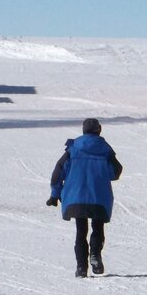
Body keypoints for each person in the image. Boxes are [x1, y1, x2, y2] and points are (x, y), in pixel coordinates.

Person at [47, 118, 123, 277]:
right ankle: (95, 255)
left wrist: (55, 194)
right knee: (98, 227)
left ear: (83, 130)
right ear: (99, 130)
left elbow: (58, 171)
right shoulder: (105, 149)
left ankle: (81, 268)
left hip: (76, 197)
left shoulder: (73, 148)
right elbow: (115, 171)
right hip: (99, 196)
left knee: (81, 231)